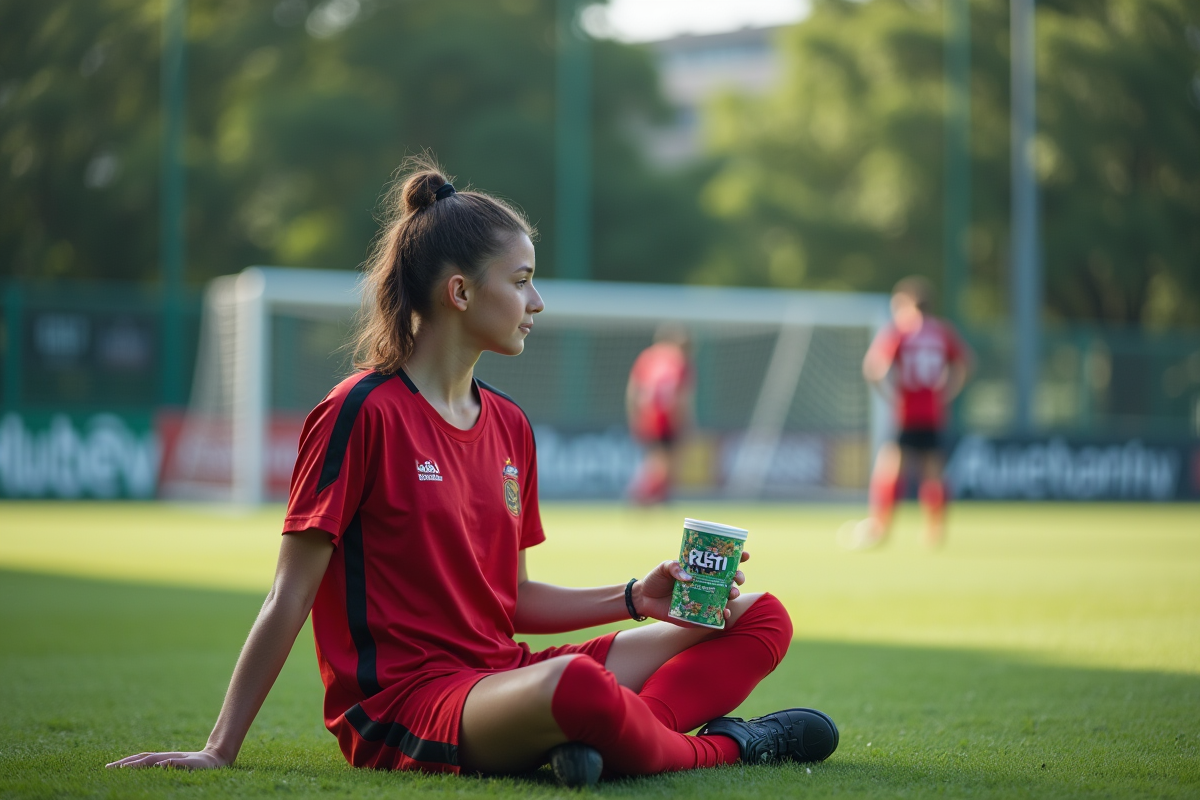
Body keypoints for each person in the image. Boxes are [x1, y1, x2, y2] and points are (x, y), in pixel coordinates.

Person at [106, 158, 838, 785]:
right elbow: (287, 597)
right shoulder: (359, 412)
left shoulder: (511, 425)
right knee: (577, 686)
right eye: (520, 281)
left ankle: (594, 746)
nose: (537, 302)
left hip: (506, 672)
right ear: (459, 292)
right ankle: (727, 746)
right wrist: (218, 749)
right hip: (404, 704)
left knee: (758, 615)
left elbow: (510, 600)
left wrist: (634, 597)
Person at [855, 276, 972, 549]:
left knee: (890, 469)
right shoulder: (942, 331)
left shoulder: (900, 331)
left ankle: (880, 528)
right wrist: (946, 393)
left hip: (906, 413)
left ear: (907, 303)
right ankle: (934, 533)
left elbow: (874, 369)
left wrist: (891, 396)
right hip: (933, 413)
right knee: (933, 472)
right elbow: (965, 365)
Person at [625, 324, 693, 504]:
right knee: (666, 462)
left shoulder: (648, 356)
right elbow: (680, 398)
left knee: (657, 459)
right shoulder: (680, 360)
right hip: (666, 416)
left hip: (647, 415)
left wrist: (634, 417)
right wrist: (685, 424)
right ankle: (642, 494)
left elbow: (633, 390)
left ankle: (653, 498)